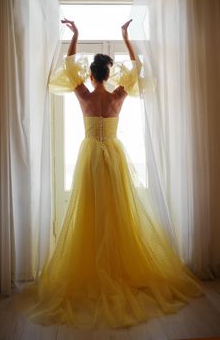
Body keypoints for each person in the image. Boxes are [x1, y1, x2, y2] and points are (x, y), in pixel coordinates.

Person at [12, 18, 203, 329]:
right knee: (117, 212)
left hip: (89, 157)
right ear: (108, 74)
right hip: (113, 157)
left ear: (91, 74)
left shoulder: (85, 97)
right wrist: (126, 37)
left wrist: (75, 35)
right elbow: (137, 67)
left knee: (91, 212)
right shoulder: (116, 98)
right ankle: (115, 269)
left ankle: (98, 269)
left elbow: (69, 65)